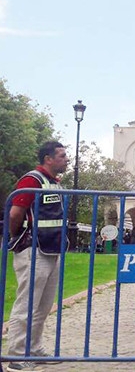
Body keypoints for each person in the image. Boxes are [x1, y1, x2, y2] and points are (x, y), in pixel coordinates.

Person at [6, 141, 69, 371]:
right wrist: (18, 237)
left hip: (51, 249)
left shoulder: (54, 182)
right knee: (27, 305)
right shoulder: (31, 180)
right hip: (34, 250)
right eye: (62, 156)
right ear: (48, 159)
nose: (66, 159)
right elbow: (15, 214)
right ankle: (16, 356)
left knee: (42, 307)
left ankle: (33, 349)